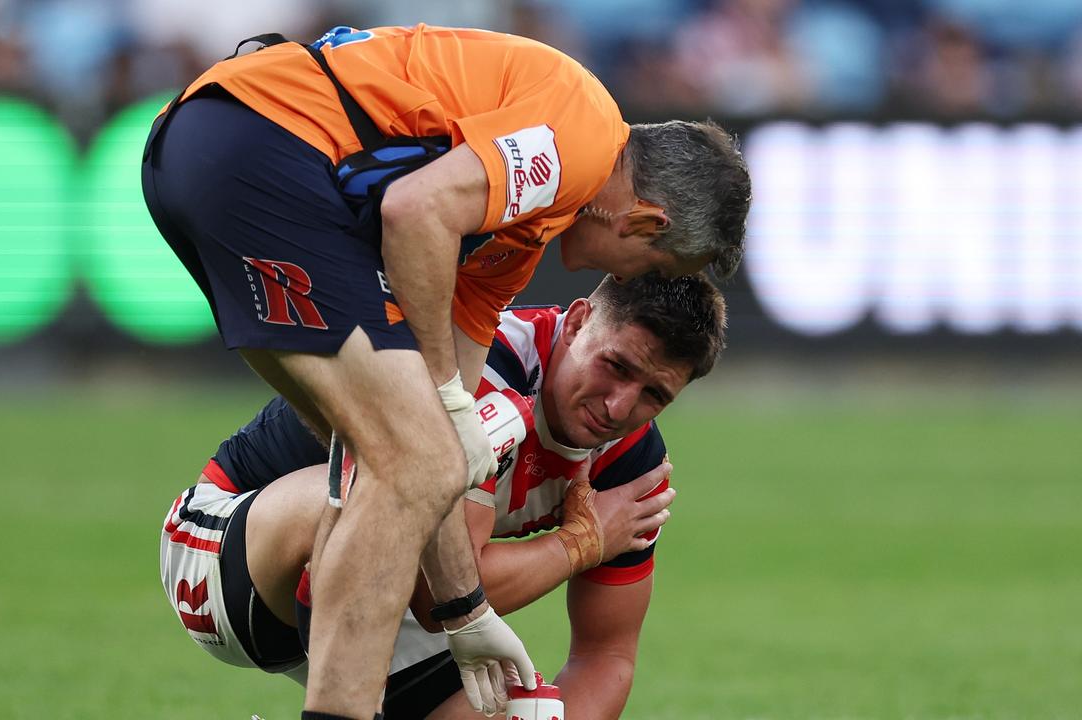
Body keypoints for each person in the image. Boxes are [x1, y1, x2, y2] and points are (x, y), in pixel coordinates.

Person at [141, 23, 750, 718]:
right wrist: (463, 433)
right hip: (260, 144)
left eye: (651, 395)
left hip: (226, 144)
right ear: (647, 222)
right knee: (411, 457)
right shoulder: (582, 138)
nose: (634, 277)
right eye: (657, 267)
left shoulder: (513, 238)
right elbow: (414, 207)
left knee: (403, 459)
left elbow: (443, 414)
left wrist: (465, 612)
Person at [159, 273, 728, 718]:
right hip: (223, 558)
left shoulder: (631, 464)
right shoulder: (480, 368)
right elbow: (441, 597)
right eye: (616, 366)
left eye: (654, 394)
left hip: (382, 600)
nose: (618, 407)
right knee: (423, 473)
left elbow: (606, 657)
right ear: (577, 322)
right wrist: (583, 542)